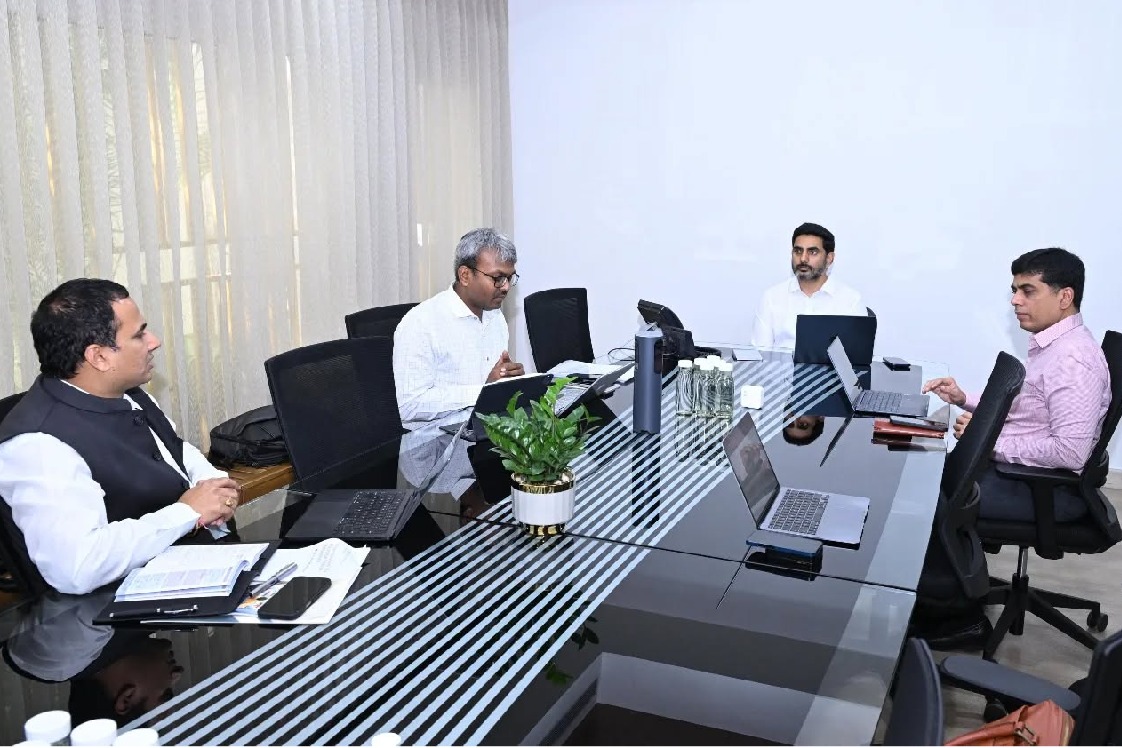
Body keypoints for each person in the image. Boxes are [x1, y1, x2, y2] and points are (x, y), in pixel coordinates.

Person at [0, 279, 239, 595]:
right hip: (116, 610)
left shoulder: (126, 392)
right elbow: (78, 568)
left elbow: (174, 449)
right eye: (139, 334)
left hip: (192, 568)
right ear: (99, 357)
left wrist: (212, 485)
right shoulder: (38, 446)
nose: (154, 342)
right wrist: (188, 512)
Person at [923, 248, 1110, 523]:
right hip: (1018, 474)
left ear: (1065, 297)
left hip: (1043, 489)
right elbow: (1029, 406)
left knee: (922, 503)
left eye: (1028, 291)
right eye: (1015, 290)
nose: (1015, 300)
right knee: (919, 477)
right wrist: (964, 398)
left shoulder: (1074, 360)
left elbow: (1069, 452)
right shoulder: (1054, 345)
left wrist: (989, 442)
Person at [393, 228, 526, 429]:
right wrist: (484, 391)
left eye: (510, 278)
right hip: (438, 441)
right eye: (498, 278)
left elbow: (491, 380)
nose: (506, 287)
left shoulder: (495, 316)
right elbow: (409, 406)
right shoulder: (421, 323)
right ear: (465, 275)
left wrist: (509, 382)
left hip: (485, 430)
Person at [751, 222, 866, 349]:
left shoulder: (851, 301)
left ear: (829, 258)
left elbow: (858, 355)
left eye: (813, 252)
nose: (803, 259)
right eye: (798, 251)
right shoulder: (771, 298)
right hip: (782, 363)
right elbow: (759, 354)